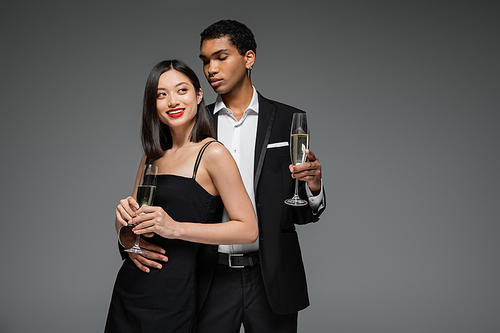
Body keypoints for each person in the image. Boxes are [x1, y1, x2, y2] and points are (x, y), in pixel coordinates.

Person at [126, 20, 325, 333]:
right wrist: (130, 238)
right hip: (209, 276)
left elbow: (296, 213)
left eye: (220, 57)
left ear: (248, 58)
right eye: (205, 61)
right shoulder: (193, 125)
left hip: (271, 275)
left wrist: (313, 188)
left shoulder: (288, 119)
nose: (210, 68)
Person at [104, 59, 258, 333]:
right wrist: (124, 232)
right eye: (161, 94)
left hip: (174, 293)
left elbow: (248, 229)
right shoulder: (151, 157)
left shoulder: (212, 154)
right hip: (130, 288)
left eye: (181, 90)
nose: (172, 101)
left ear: (199, 96)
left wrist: (175, 229)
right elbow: (132, 226)